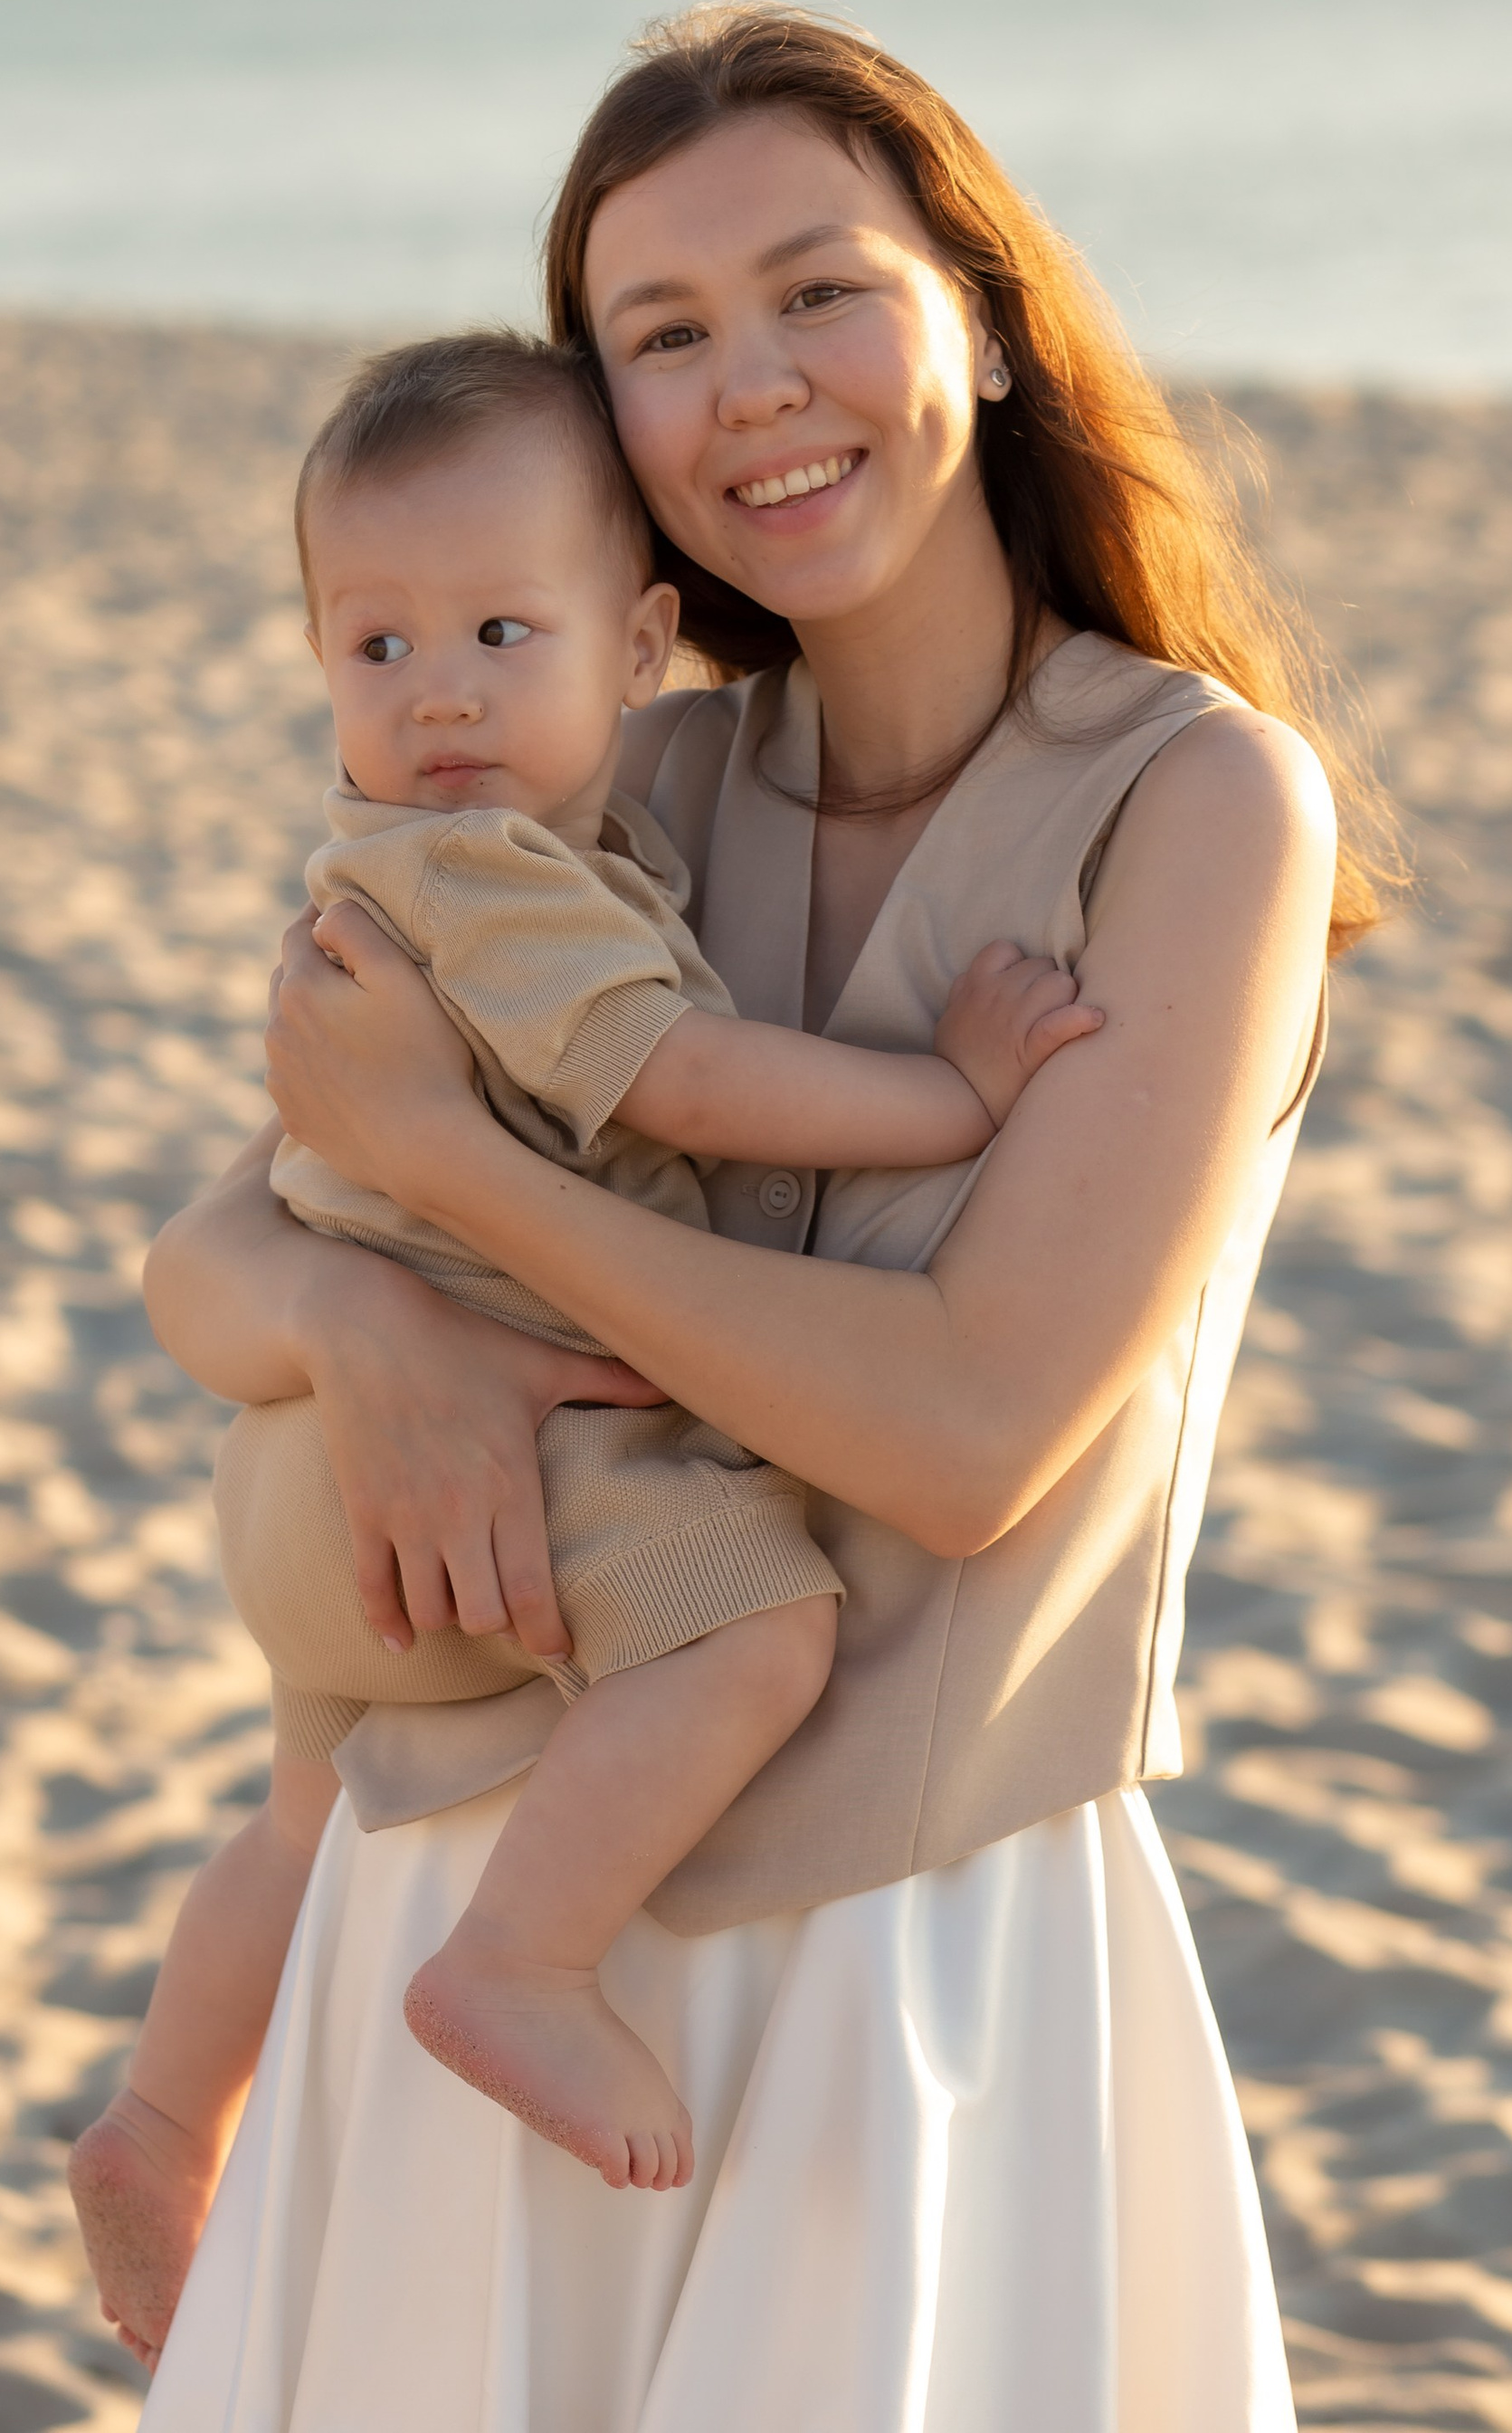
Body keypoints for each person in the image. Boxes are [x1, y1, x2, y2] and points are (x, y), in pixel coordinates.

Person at [131, 1, 1393, 2430]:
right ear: (602, 423)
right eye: (665, 335)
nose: (756, 387)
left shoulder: (1199, 803)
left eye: (819, 290)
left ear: (986, 322)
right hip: (476, 1929)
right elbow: (214, 1260)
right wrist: (374, 1331)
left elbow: (967, 1439)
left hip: (911, 1978)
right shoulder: (616, 781)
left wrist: (460, 1183)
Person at [70, 327, 1101, 2359]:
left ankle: (164, 2118)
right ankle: (522, 1961)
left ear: (638, 646)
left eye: (495, 632)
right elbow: (686, 1078)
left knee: (298, 1825)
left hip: (311, 1490)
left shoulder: (417, 872)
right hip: (503, 1467)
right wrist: (954, 1095)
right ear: (314, 661)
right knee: (755, 1633)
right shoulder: (487, 878)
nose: (439, 691)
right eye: (377, 647)